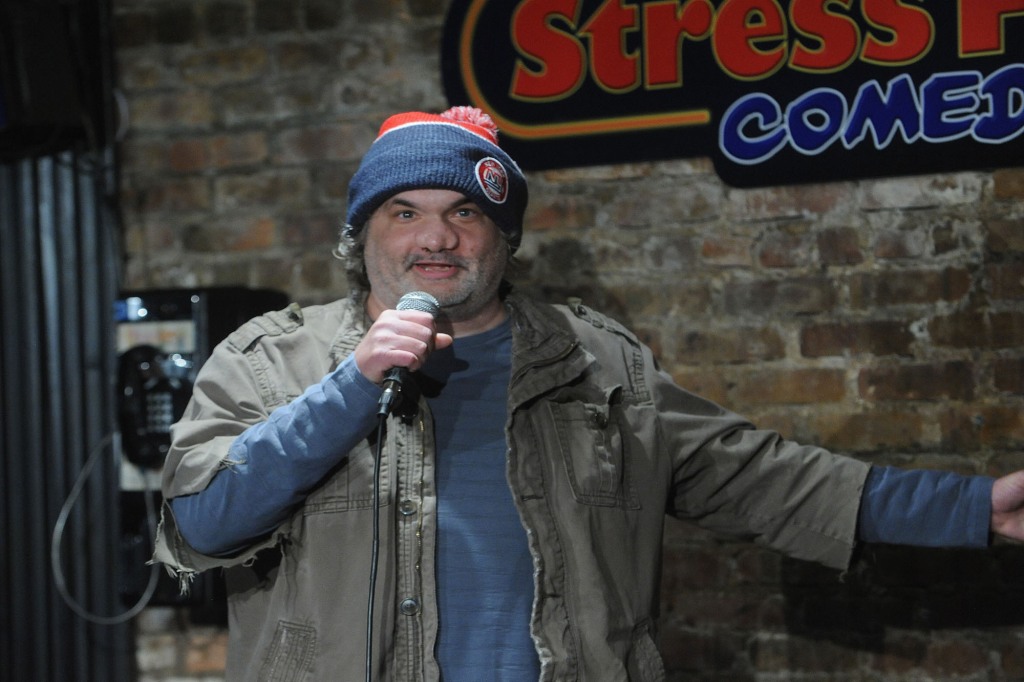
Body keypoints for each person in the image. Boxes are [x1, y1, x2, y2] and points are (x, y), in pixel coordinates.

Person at [153, 106, 1024, 682]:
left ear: (505, 236)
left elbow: (761, 476)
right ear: (362, 235)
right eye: (404, 212)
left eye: (465, 212)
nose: (437, 237)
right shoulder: (274, 360)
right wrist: (351, 388)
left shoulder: (597, 363)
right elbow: (202, 524)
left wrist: (975, 507)